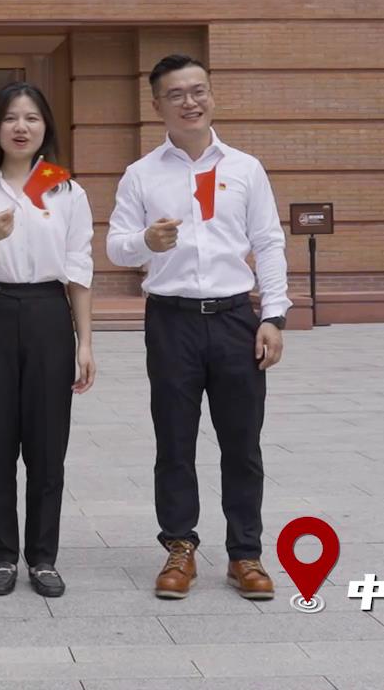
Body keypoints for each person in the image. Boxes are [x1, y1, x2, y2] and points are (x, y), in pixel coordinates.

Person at [105, 54, 288, 602]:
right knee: (174, 442)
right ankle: (179, 547)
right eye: (177, 94)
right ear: (157, 105)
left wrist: (273, 316)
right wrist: (145, 242)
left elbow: (268, 243)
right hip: (171, 321)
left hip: (235, 319)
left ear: (211, 94)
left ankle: (245, 553)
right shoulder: (141, 174)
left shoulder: (245, 169)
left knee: (243, 443)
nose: (190, 102)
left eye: (198, 90)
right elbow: (115, 247)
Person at [0, 82, 96, 598]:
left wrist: (84, 341)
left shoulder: (66, 191)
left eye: (32, 117)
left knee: (48, 444)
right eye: (11, 117)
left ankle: (44, 558)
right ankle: (3, 557)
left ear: (45, 127)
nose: (21, 127)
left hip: (49, 314)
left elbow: (79, 269)